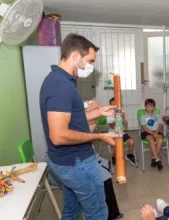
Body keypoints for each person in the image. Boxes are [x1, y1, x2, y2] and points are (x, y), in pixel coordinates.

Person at [40, 33, 119, 220]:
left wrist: (99, 112)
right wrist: (100, 137)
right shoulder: (60, 85)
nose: (91, 67)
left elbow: (72, 119)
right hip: (76, 163)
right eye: (89, 61)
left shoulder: (63, 80)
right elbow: (59, 135)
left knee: (72, 209)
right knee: (98, 212)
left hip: (66, 161)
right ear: (75, 56)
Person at [107, 97, 137, 166]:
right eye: (113, 105)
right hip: (113, 134)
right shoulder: (108, 114)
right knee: (119, 144)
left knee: (131, 142)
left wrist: (123, 117)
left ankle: (130, 155)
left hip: (121, 133)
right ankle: (114, 157)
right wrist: (116, 117)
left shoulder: (121, 112)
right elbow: (112, 126)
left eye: (116, 104)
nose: (114, 106)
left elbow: (125, 124)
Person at [140, 98, 164, 170]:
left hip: (156, 131)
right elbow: (144, 128)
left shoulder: (158, 115)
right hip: (147, 132)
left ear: (154, 107)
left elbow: (160, 125)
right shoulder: (143, 116)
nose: (149, 108)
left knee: (160, 140)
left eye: (151, 106)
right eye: (147, 106)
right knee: (151, 140)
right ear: (145, 106)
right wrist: (153, 133)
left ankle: (154, 158)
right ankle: (157, 159)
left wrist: (156, 132)